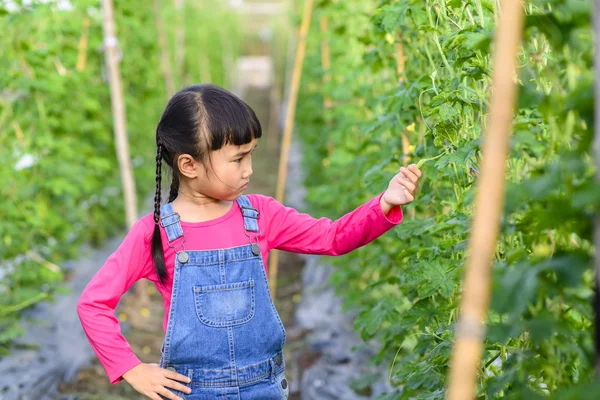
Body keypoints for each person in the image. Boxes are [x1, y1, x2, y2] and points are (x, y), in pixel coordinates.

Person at [77, 84, 422, 400]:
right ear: (189, 165)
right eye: (238, 158)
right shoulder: (156, 233)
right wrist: (132, 368)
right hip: (191, 392)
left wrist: (384, 204)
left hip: (265, 387)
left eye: (252, 154)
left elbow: (331, 237)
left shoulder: (260, 215)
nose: (249, 169)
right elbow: (93, 304)